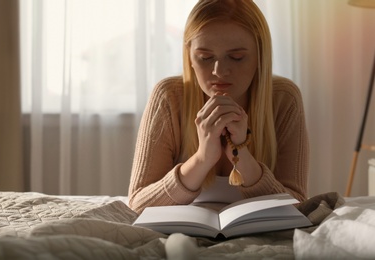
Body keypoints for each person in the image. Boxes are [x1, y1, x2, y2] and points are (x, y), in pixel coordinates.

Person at [128, 0, 309, 214]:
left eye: (236, 57)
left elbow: (297, 207)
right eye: (205, 57)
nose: (220, 71)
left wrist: (241, 153)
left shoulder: (284, 99)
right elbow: (138, 204)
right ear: (190, 57)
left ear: (260, 56)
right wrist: (202, 158)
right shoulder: (168, 97)